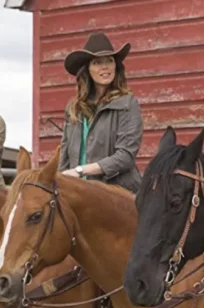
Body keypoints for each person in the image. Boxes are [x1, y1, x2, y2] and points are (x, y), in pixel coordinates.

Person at [58, 32, 144, 193]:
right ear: (87, 70)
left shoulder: (127, 103)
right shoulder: (74, 108)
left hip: (116, 194)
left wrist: (80, 171)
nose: (105, 67)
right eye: (97, 62)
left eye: (109, 61)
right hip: (77, 192)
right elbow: (64, 156)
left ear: (116, 66)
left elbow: (125, 157)